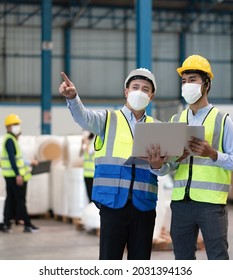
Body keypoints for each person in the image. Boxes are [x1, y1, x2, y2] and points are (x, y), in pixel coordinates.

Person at [146, 54, 233, 260]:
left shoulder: (222, 120)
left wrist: (213, 154)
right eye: (184, 81)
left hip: (211, 204)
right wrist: (158, 166)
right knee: (182, 258)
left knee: (217, 257)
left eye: (192, 80)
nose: (187, 85)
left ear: (206, 85)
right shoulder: (176, 119)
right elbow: (169, 167)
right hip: (181, 202)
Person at [59, 68, 159, 260]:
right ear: (126, 91)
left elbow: (165, 167)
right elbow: (84, 117)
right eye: (135, 87)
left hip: (144, 205)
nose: (140, 92)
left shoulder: (157, 127)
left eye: (146, 89)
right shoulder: (107, 119)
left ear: (151, 95)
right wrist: (73, 98)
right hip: (113, 205)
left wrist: (157, 165)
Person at [1, 113, 39, 233]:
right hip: (13, 176)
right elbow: (12, 160)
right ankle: (27, 224)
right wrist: (18, 174)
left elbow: (19, 159)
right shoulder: (10, 141)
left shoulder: (12, 140)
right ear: (8, 127)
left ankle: (7, 223)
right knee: (20, 200)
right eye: (15, 124)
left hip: (11, 175)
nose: (18, 126)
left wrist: (29, 163)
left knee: (11, 199)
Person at [80, 130, 95, 202]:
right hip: (86, 173)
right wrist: (83, 143)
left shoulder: (93, 142)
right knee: (89, 196)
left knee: (93, 197)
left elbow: (90, 152)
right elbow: (80, 154)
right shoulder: (85, 144)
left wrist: (86, 142)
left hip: (93, 174)